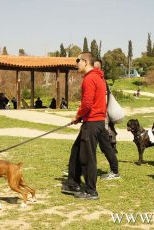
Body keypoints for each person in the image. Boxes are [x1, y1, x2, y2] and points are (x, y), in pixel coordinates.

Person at [61, 52, 107, 200]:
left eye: (78, 60)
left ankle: (91, 191)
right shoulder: (97, 77)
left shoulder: (90, 78)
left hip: (93, 123)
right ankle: (72, 183)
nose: (76, 64)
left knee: (87, 157)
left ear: (86, 61)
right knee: (76, 152)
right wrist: (81, 117)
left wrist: (78, 116)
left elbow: (87, 103)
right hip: (93, 121)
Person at [94, 59, 120, 179]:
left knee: (105, 146)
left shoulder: (101, 81)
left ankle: (114, 171)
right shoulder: (96, 79)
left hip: (100, 118)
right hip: (95, 118)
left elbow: (104, 102)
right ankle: (76, 169)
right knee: (85, 143)